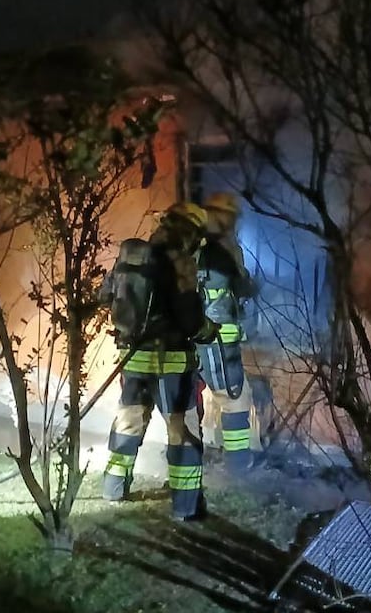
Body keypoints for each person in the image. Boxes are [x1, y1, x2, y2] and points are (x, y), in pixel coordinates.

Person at [100, 202, 219, 521]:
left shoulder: (133, 255)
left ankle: (113, 488)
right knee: (182, 432)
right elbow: (190, 319)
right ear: (191, 233)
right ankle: (186, 507)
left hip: (133, 359)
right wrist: (209, 330)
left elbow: (104, 295)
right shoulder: (180, 262)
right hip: (172, 365)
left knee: (128, 422)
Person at [196, 192, 259, 471]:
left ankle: (190, 456)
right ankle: (237, 464)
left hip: (194, 337)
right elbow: (239, 287)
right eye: (230, 217)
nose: (234, 223)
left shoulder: (192, 248)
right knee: (235, 397)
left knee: (189, 398)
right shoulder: (221, 251)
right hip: (218, 339)